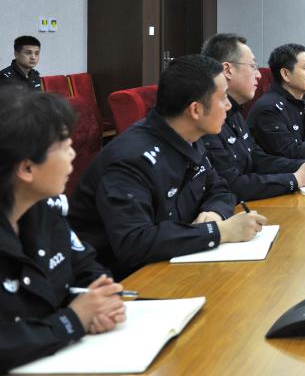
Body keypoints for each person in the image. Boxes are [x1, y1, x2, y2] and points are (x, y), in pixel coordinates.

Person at [68, 55, 266, 280]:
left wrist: (214, 213)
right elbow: (134, 242)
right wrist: (219, 232)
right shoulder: (130, 158)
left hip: (174, 261)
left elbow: (220, 189)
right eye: (223, 98)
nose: (229, 106)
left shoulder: (190, 137)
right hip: (123, 281)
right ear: (195, 110)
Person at [0, 88, 125, 372]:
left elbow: (89, 269)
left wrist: (100, 303)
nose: (73, 154)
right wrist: (73, 320)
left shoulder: (44, 209)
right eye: (64, 146)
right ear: (27, 168)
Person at [199, 34, 305, 201]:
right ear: (228, 70)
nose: (259, 75)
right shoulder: (207, 120)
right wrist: (296, 178)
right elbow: (231, 185)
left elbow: (257, 159)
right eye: (253, 66)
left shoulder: (235, 113)